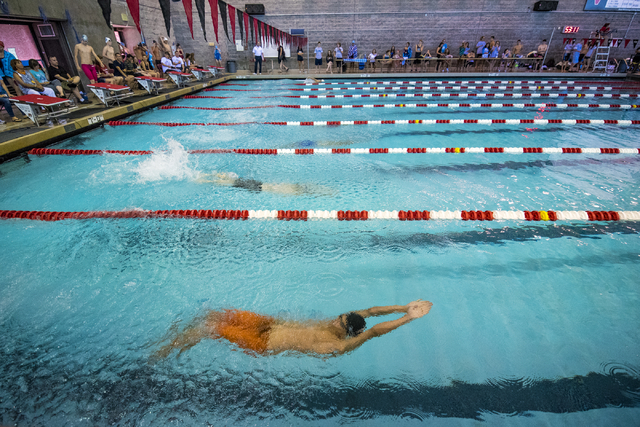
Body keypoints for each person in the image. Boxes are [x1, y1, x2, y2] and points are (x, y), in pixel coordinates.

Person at [153, 299, 433, 358]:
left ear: (346, 331)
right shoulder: (343, 321)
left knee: (211, 325)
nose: (336, 319)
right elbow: (371, 312)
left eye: (340, 322)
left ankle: (166, 350)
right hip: (270, 324)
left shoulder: (337, 346)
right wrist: (402, 307)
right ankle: (175, 336)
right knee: (218, 313)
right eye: (340, 316)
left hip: (263, 344)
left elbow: (373, 330)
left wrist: (408, 319)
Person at [196, 172, 334, 196]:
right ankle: (204, 180)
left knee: (233, 181)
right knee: (231, 183)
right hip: (258, 188)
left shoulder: (296, 188)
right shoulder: (296, 191)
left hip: (260, 184)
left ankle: (211, 176)